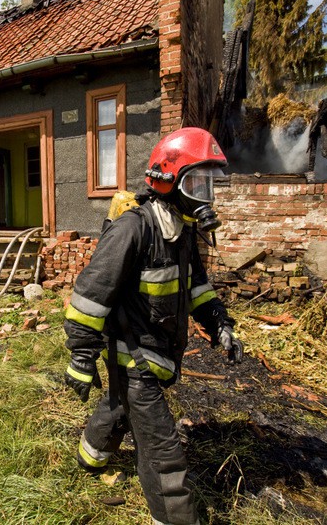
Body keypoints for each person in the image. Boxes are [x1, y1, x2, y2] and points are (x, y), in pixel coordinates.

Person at [63, 127, 244, 525]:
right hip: (133, 356)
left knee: (118, 407)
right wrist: (81, 356)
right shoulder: (135, 228)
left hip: (155, 352)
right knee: (163, 451)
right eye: (197, 182)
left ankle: (90, 457)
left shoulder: (180, 232)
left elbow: (196, 287)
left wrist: (220, 326)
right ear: (168, 179)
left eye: (209, 184)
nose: (205, 195)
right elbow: (90, 295)